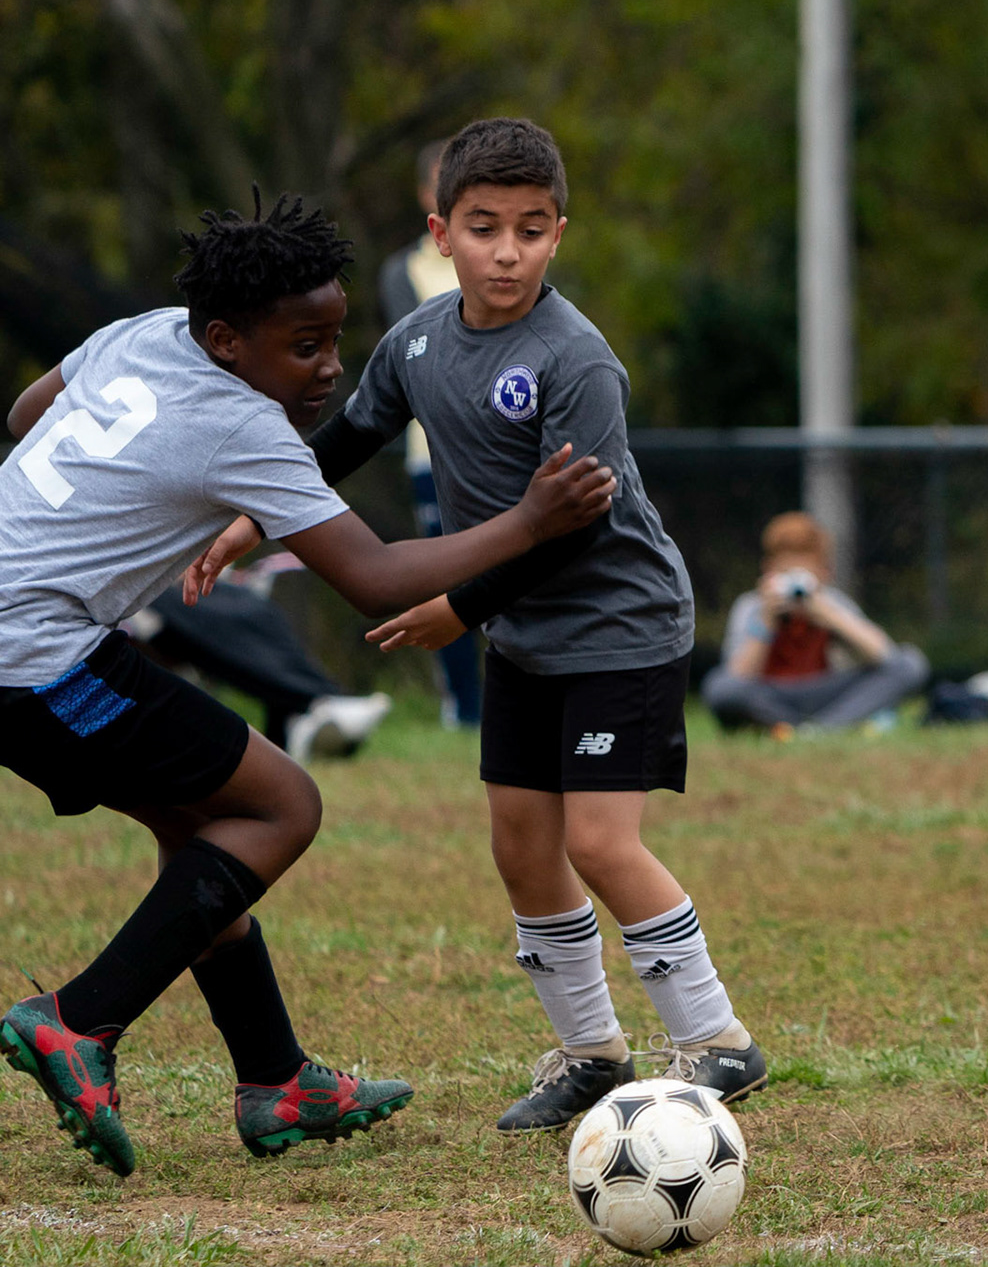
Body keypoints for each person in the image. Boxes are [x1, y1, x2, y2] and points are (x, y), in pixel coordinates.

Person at [0, 192, 615, 1176]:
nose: (329, 366)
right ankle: (78, 1021)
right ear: (227, 340)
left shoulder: (145, 333)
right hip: (35, 657)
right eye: (303, 346)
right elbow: (375, 576)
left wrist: (128, 497)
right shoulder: (245, 427)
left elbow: (28, 413)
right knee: (281, 805)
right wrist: (531, 522)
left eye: (334, 340)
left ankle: (276, 1077)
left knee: (203, 827)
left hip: (28, 634)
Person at [196, 119, 767, 1130]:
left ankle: (720, 1040)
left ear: (558, 237)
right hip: (524, 635)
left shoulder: (577, 360)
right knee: (521, 847)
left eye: (531, 231)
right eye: (485, 228)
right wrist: (253, 517)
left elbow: (574, 529)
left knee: (600, 841)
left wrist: (457, 609)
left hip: (620, 624)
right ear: (441, 233)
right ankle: (592, 1054)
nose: (508, 252)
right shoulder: (418, 340)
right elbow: (349, 437)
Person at [379, 139, 482, 729]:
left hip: (509, 455)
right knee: (447, 583)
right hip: (433, 457)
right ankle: (464, 709)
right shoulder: (404, 272)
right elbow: (413, 365)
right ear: (426, 196)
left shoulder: (503, 260)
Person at [702, 512, 929, 735]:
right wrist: (766, 620)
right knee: (719, 686)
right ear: (768, 571)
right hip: (770, 695)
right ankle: (806, 729)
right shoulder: (752, 606)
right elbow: (736, 678)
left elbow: (886, 655)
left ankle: (819, 730)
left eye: (802, 577)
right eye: (786, 575)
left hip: (826, 692)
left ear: (824, 573)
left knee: (910, 663)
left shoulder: (832, 603)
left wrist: (829, 616)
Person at [128, 577, 394, 762]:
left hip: (166, 584)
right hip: (137, 600)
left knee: (252, 607)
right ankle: (315, 705)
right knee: (199, 612)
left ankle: (306, 711)